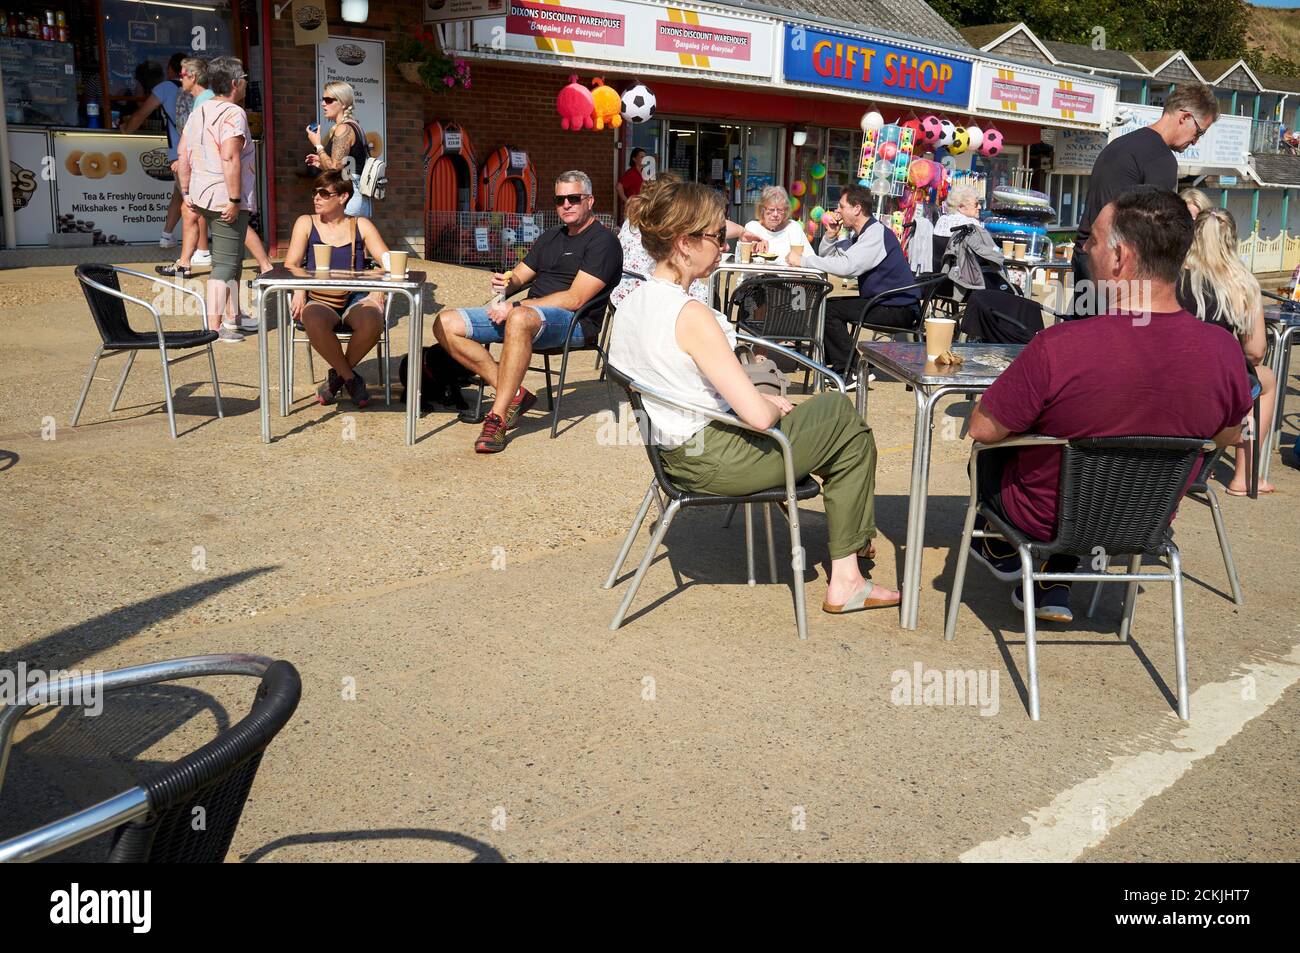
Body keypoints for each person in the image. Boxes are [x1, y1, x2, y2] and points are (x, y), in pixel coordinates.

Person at [607, 180, 899, 614]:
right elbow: (758, 419)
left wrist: (757, 404)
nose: (723, 244)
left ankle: (853, 547)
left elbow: (675, 379)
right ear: (685, 244)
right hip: (714, 459)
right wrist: (765, 404)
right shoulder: (689, 315)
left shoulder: (631, 303)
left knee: (826, 421)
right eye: (715, 234)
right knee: (842, 418)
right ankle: (848, 576)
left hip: (672, 452)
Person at [967, 189, 1253, 623]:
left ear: (1119, 257)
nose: (1085, 249)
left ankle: (999, 544)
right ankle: (1048, 575)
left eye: (1093, 241)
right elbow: (1227, 435)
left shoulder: (1059, 347)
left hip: (1044, 520)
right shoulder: (1222, 350)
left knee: (986, 454)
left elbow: (983, 429)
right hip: (1146, 524)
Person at [434, 170, 623, 453]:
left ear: (590, 200)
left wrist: (515, 307)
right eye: (560, 200)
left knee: (520, 318)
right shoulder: (550, 237)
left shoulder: (603, 242)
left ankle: (496, 419)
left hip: (575, 324)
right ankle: (514, 394)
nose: (566, 205)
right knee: (445, 322)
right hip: (529, 317)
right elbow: (520, 277)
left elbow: (575, 298)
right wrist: (505, 286)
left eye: (574, 198)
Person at [1070, 84, 1219, 318]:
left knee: (1082, 340)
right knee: (1121, 348)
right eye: (1199, 132)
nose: (1195, 141)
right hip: (1117, 269)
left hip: (1086, 256)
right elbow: (1159, 233)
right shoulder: (1161, 159)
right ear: (1185, 117)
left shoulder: (1120, 144)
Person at [1177, 207, 1275, 495]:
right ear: (1232, 240)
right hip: (1214, 389)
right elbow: (1255, 351)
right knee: (1264, 380)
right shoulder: (1242, 283)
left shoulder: (1171, 276)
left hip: (1171, 378)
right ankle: (1244, 477)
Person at [283, 170, 391, 409]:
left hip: (355, 297)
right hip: (320, 297)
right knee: (311, 317)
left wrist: (379, 289)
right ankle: (350, 378)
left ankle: (337, 378)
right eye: (315, 192)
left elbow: (389, 262)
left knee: (373, 320)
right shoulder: (305, 222)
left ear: (343, 197)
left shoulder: (360, 224)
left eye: (324, 193)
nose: (316, 198)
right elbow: (291, 264)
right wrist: (300, 290)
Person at [789, 184, 920, 376]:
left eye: (842, 206)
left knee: (829, 310)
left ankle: (850, 370)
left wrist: (803, 261)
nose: (837, 211)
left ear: (857, 208)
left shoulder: (875, 234)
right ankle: (841, 363)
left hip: (899, 308)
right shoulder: (863, 234)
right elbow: (830, 257)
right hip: (886, 302)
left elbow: (847, 268)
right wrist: (831, 235)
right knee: (827, 306)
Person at [176, 56, 255, 344]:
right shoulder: (233, 113)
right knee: (224, 264)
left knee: (233, 259)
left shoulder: (199, 111)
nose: (246, 82)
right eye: (244, 77)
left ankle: (233, 317)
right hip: (225, 195)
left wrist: (187, 192)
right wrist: (234, 198)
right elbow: (230, 156)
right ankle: (215, 325)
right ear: (235, 83)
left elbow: (183, 154)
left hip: (201, 193)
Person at [121, 52, 187, 248]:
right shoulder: (198, 90)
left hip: (179, 154)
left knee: (190, 202)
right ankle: (167, 236)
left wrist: (126, 129)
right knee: (180, 194)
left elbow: (141, 114)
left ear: (170, 69)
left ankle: (199, 250)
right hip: (192, 153)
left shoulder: (165, 87)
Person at [158, 57, 213, 278]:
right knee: (188, 208)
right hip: (196, 164)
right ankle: (186, 261)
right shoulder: (198, 99)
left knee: (196, 209)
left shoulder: (205, 100)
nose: (179, 78)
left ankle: (198, 254)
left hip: (202, 166)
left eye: (181, 75)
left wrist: (185, 160)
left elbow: (201, 138)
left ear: (193, 76)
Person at [306, 81, 371, 218]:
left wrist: (318, 145)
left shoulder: (343, 128)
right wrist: (321, 162)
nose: (323, 104)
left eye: (328, 100)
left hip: (350, 196)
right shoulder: (354, 126)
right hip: (355, 194)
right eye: (323, 100)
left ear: (342, 103)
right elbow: (344, 166)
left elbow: (335, 168)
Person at [743, 186, 807, 265]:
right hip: (757, 276)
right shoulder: (752, 227)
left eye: (780, 210)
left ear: (786, 210)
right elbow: (743, 258)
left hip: (787, 276)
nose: (775, 214)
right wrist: (753, 248)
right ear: (762, 209)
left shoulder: (794, 228)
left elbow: (809, 258)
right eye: (771, 210)